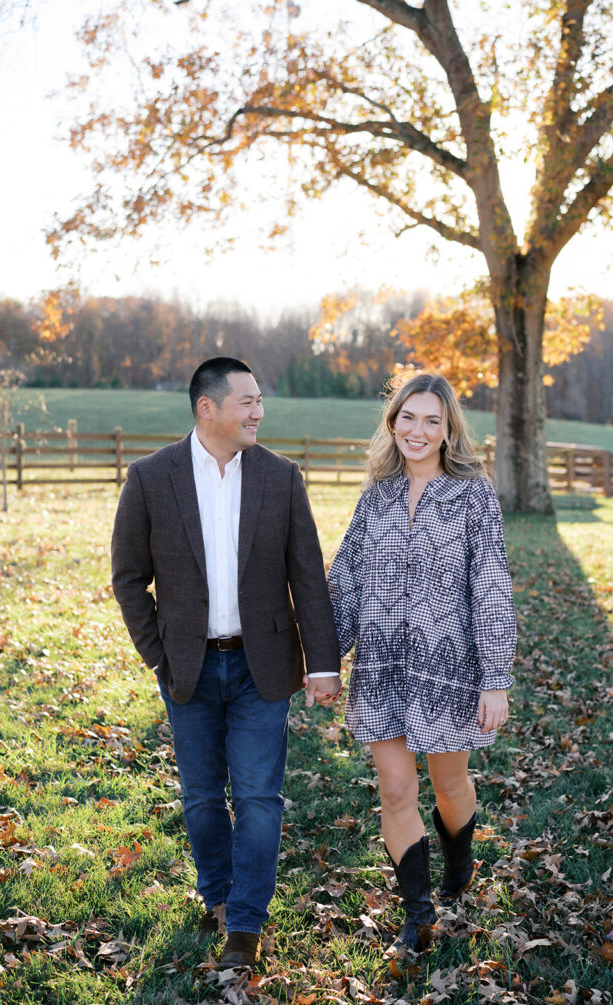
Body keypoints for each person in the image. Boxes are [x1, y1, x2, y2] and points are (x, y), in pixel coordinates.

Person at [111, 356, 341, 969]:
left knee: (261, 798)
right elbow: (129, 579)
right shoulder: (150, 478)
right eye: (248, 402)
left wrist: (323, 664)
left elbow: (308, 578)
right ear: (206, 408)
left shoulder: (280, 477)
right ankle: (217, 895)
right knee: (201, 797)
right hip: (185, 667)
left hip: (261, 666)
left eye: (260, 401)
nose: (258, 412)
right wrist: (158, 654)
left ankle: (245, 924)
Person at [326, 372, 516, 953]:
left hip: (448, 667)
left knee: (449, 782)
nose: (418, 430)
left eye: (432, 420)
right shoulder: (375, 493)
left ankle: (459, 862)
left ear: (447, 429)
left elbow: (490, 587)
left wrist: (496, 678)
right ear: (393, 421)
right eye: (409, 417)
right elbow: (348, 577)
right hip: (381, 666)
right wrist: (326, 657)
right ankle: (419, 913)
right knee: (394, 788)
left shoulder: (473, 494)